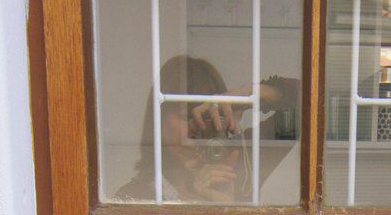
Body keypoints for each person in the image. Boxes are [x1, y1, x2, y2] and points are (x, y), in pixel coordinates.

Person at [116, 55, 299, 203]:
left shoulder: (242, 159)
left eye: (205, 116)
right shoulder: (132, 197)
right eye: (185, 116)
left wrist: (248, 95)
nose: (195, 129)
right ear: (159, 120)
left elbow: (314, 109)